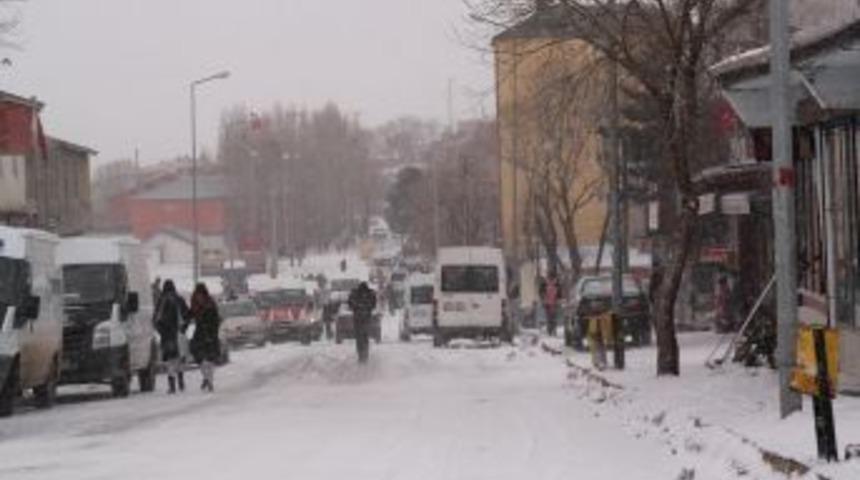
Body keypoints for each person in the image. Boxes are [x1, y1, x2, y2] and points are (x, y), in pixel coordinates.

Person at [154, 280, 190, 394]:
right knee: (179, 358)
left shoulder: (162, 301)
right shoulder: (179, 299)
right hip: (179, 333)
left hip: (167, 335)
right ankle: (181, 381)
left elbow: (156, 319)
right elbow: (187, 315)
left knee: (170, 360)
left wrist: (161, 331)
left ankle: (172, 385)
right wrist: (184, 328)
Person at [189, 283, 222, 392]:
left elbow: (216, 320)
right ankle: (206, 378)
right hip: (200, 333)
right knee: (199, 357)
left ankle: (210, 381)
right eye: (197, 295)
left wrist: (212, 334)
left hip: (210, 333)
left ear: (204, 294)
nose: (199, 297)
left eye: (201, 295)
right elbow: (189, 315)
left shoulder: (210, 304)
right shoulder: (194, 304)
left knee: (210, 359)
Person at [348, 282, 377, 364]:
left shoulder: (355, 294)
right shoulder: (370, 294)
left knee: (359, 337)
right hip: (366, 318)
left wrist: (356, 308)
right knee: (365, 336)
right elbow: (374, 304)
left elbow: (350, 304)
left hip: (358, 319)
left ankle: (361, 355)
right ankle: (365, 354)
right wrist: (367, 309)